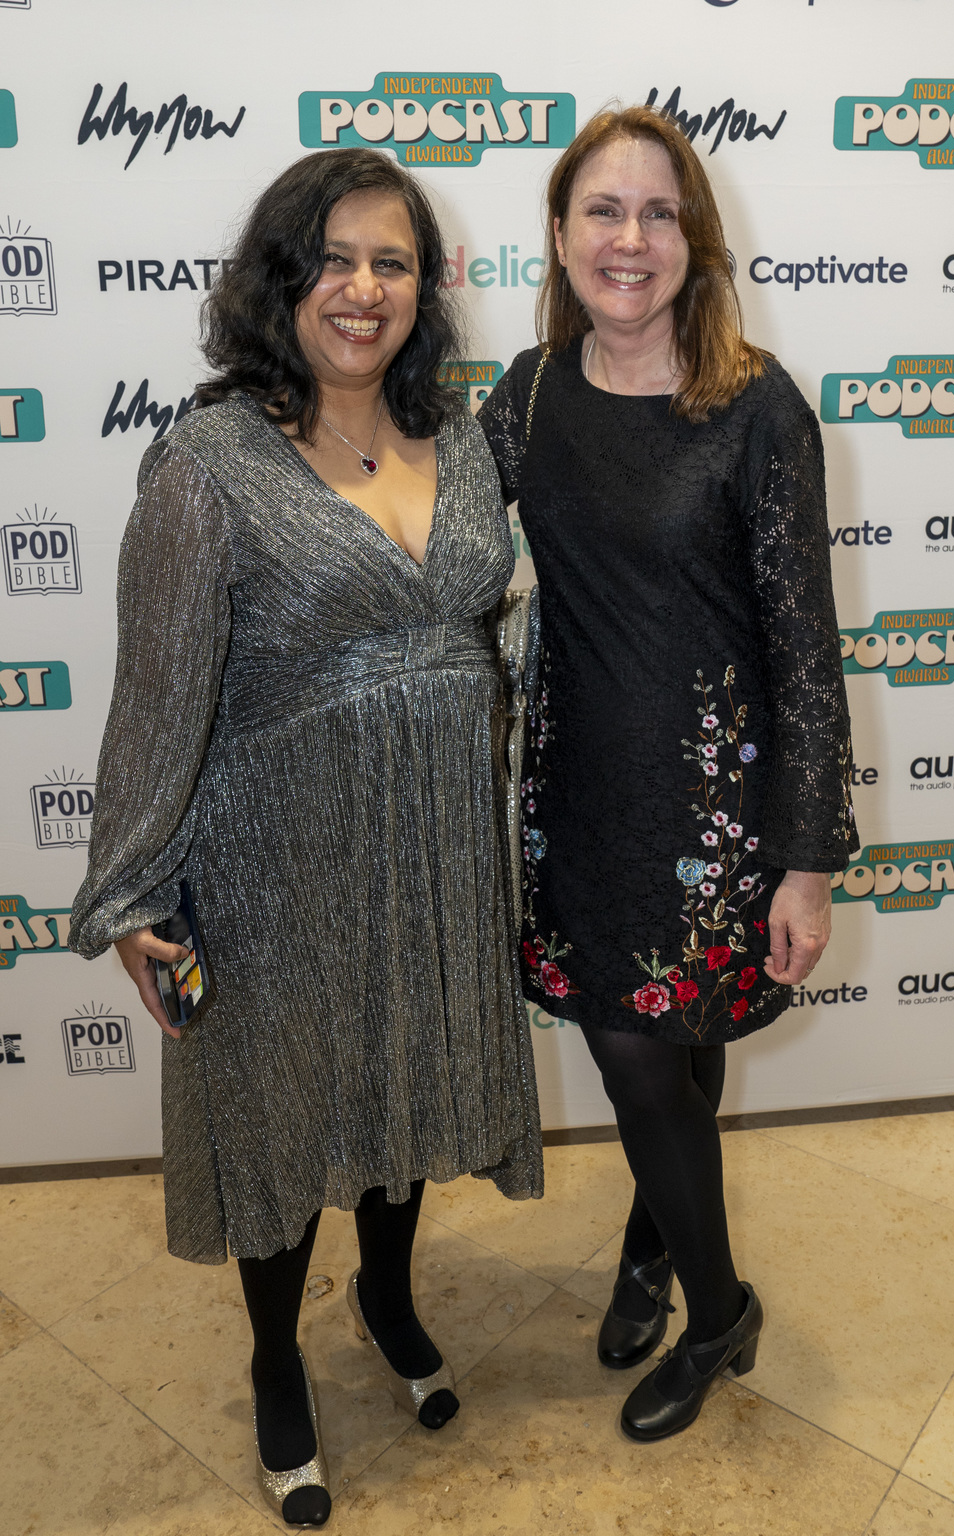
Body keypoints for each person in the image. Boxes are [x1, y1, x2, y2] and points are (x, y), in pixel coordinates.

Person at [69, 147, 542, 1527]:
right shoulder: (207, 463)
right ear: (279, 281)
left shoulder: (464, 440)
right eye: (331, 259)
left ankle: (388, 1301)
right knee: (283, 1117)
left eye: (391, 262)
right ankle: (277, 1356)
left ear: (424, 289)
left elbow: (497, 625)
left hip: (436, 842)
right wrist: (130, 892)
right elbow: (157, 694)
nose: (362, 288)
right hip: (273, 863)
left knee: (404, 1082)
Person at [478, 104, 857, 1444]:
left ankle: (715, 1313)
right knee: (657, 1060)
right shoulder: (526, 394)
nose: (628, 239)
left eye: (657, 213)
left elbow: (806, 649)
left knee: (658, 1056)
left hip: (715, 809)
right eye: (603, 210)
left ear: (694, 240)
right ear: (560, 233)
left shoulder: (756, 407)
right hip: (579, 799)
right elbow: (434, 541)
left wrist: (807, 860)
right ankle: (656, 1248)